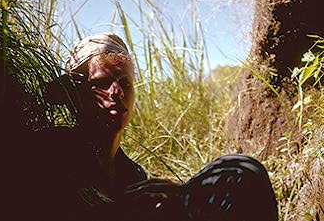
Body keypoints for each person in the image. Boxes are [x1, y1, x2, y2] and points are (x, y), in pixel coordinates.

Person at [45, 33, 278, 221]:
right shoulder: (54, 151)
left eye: (125, 83)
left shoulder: (132, 174)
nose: (117, 92)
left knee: (239, 170)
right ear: (75, 95)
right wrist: (119, 211)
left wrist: (177, 197)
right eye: (103, 83)